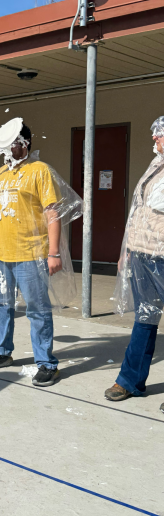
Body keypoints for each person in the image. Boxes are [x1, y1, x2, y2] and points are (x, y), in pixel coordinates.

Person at [0, 118, 82, 386]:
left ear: (25, 144)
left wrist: (53, 252)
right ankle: (2, 352)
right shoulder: (0, 174)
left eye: (13, 145)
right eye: (5, 146)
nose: (8, 151)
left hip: (30, 254)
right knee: (0, 305)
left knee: (37, 309)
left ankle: (45, 362)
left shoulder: (40, 171)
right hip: (0, 254)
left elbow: (52, 213)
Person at [107, 116, 164, 411]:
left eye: (160, 135)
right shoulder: (155, 165)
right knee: (145, 318)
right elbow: (137, 210)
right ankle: (130, 381)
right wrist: (125, 250)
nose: (154, 139)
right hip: (143, 254)